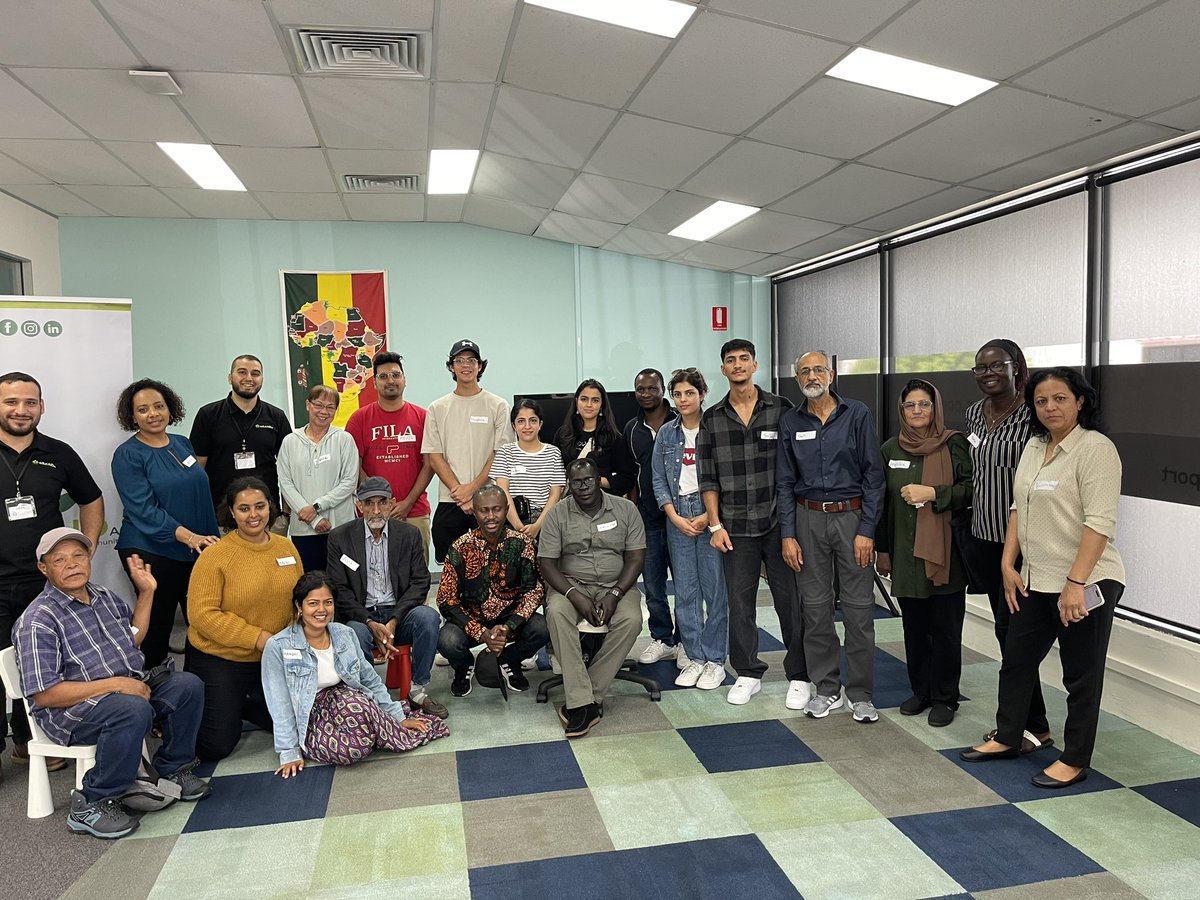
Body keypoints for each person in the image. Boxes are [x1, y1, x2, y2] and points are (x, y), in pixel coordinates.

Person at [962, 368, 1126, 789]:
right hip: (1035, 578)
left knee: (1080, 675)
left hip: (1087, 581)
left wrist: (1076, 583)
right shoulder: (1035, 447)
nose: (1050, 407)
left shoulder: (1096, 449)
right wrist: (1007, 564)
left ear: (1080, 402)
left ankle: (1074, 759)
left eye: (1060, 399)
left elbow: (1099, 524)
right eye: (1041, 401)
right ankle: (1011, 736)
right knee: (1016, 661)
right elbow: (1018, 508)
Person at [15, 528, 210, 839]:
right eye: (59, 559)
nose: (72, 564)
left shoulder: (103, 596)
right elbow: (45, 694)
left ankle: (174, 768)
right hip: (72, 712)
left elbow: (131, 639)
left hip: (126, 690)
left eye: (78, 555)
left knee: (187, 685)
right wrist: (117, 684)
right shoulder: (38, 620)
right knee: (131, 710)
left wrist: (146, 593)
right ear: (44, 567)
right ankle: (91, 801)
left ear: (89, 558)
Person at [0, 372, 104, 775]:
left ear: (41, 407)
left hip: (46, 584)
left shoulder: (58, 453)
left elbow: (91, 499)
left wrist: (87, 545)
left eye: (30, 402)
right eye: (11, 402)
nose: (21, 410)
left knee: (42, 664)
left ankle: (33, 741)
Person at [697, 339, 807, 708]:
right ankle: (747, 672)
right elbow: (707, 478)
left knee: (789, 601)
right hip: (735, 528)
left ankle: (800, 673)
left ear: (755, 365)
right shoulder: (712, 418)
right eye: (731, 361)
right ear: (724, 369)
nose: (738, 365)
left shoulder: (782, 409)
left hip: (778, 524)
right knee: (739, 604)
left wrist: (793, 526)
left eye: (744, 359)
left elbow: (796, 469)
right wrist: (715, 526)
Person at [778, 350, 885, 723]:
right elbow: (785, 482)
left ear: (832, 374)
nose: (812, 376)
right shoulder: (791, 421)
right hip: (807, 521)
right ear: (797, 379)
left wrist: (867, 530)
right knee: (816, 609)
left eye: (818, 369)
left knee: (858, 611)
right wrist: (788, 535)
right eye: (804, 371)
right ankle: (826, 688)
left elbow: (874, 477)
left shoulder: (856, 414)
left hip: (852, 520)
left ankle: (861, 693)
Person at [261, 572, 448, 778]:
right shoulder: (278, 646)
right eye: (313, 603)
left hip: (348, 700)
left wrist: (396, 716)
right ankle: (380, 728)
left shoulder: (343, 633)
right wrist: (289, 752)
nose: (321, 610)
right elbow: (279, 703)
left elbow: (370, 679)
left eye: (328, 602)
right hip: (311, 714)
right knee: (352, 750)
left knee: (355, 706)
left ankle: (386, 723)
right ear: (299, 606)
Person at [960, 339, 1052, 752]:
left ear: (1017, 368)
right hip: (985, 540)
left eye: (997, 365)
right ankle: (1030, 724)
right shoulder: (973, 415)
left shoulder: (1035, 416)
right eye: (980, 368)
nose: (988, 373)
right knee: (1005, 634)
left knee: (1018, 640)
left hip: (1022, 548)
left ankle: (1027, 726)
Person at [876, 380, 972, 727]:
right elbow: (883, 505)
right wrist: (882, 550)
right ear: (901, 411)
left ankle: (946, 697)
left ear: (936, 407)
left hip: (945, 555)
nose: (917, 411)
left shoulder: (953, 444)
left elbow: (969, 492)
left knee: (945, 629)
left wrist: (933, 492)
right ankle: (921, 691)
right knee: (914, 628)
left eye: (924, 404)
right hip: (904, 555)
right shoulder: (890, 449)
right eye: (910, 405)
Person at [186, 476, 301, 760]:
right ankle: (232, 701)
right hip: (221, 658)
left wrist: (288, 637)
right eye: (244, 508)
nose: (254, 515)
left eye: (259, 506)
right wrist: (258, 638)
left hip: (272, 658)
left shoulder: (286, 548)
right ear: (232, 512)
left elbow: (298, 600)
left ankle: (246, 702)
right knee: (215, 747)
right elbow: (201, 615)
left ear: (270, 508)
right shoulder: (215, 556)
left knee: (299, 729)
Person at [111, 378, 220, 668]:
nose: (153, 414)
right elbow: (143, 510)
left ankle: (198, 689)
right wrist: (189, 537)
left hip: (195, 548)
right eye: (143, 409)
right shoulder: (128, 455)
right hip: (152, 550)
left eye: (159, 406)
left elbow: (200, 496)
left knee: (202, 624)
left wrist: (208, 539)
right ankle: (153, 694)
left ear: (170, 409)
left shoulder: (183, 443)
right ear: (132, 417)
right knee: (157, 628)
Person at [539, 458, 645, 738]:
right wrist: (574, 595)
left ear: (599, 480)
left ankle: (583, 700)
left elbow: (636, 557)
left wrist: (615, 593)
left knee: (632, 619)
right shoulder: (557, 514)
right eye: (576, 482)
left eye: (588, 480)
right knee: (556, 613)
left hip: (617, 584)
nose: (583, 487)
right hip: (571, 584)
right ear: (569, 484)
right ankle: (586, 703)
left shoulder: (626, 509)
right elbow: (547, 563)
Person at [324, 477, 447, 719]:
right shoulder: (340, 538)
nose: (376, 510)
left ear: (392, 504)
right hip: (362, 616)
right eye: (369, 503)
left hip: (398, 614)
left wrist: (393, 621)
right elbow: (338, 589)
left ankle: (418, 690)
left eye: (382, 503)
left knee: (428, 618)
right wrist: (370, 623)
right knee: (353, 633)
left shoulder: (408, 534)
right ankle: (370, 696)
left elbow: (421, 582)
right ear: (359, 506)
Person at [652, 369, 728, 691]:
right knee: (684, 592)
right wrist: (673, 516)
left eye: (690, 394)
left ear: (701, 394)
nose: (683, 400)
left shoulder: (715, 429)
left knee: (715, 592)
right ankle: (694, 657)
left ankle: (715, 660)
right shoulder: (667, 434)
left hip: (709, 513)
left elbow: (727, 476)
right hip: (678, 515)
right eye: (678, 394)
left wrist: (710, 518)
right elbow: (658, 479)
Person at [437, 484, 550, 697]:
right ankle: (463, 668)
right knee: (447, 641)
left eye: (496, 509)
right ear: (474, 511)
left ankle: (509, 660)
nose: (491, 516)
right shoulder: (460, 547)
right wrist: (481, 632)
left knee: (543, 628)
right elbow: (446, 600)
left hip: (511, 620)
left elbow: (534, 590)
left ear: (506, 509)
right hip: (472, 621)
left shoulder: (522, 543)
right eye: (484, 510)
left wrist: (509, 626)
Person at [422, 339, 512, 562]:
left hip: (489, 500)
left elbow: (499, 453)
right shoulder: (437, 408)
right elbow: (434, 456)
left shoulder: (498, 405)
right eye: (459, 360)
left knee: (494, 562)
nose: (466, 365)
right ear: (451, 366)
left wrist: (472, 490)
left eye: (471, 360)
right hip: (451, 499)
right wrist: (460, 493)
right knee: (452, 564)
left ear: (480, 366)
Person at [344, 351, 435, 562]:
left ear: (404, 380)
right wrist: (381, 503)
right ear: (374, 383)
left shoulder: (423, 418)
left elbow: (430, 465)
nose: (390, 381)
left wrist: (407, 503)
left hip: (414, 511)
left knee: (415, 576)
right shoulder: (359, 419)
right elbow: (353, 465)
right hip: (371, 513)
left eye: (395, 375)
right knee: (374, 574)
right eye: (383, 376)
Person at [188, 354, 290, 521]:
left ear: (262, 379)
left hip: (267, 516)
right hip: (221, 516)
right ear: (230, 378)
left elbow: (289, 468)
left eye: (255, 373)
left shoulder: (276, 417)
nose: (249, 378)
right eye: (242, 372)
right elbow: (197, 470)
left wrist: (285, 514)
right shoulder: (208, 415)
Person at [624, 368, 680, 666]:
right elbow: (632, 475)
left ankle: (686, 641)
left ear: (662, 391)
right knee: (654, 587)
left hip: (683, 519)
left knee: (685, 585)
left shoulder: (680, 421)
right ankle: (662, 638)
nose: (646, 393)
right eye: (640, 389)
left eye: (652, 388)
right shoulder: (631, 429)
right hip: (649, 520)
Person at [277, 384, 359, 572]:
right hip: (303, 529)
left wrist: (317, 507)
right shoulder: (290, 441)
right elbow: (285, 483)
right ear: (308, 405)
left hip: (339, 527)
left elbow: (349, 482)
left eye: (330, 407)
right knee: (310, 583)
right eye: (319, 405)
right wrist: (313, 519)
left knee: (344, 580)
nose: (324, 411)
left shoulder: (344, 439)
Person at [489, 398, 565, 540]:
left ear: (540, 424)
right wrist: (518, 527)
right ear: (514, 425)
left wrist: (537, 526)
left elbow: (555, 494)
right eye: (521, 421)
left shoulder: (553, 452)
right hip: (512, 519)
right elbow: (503, 491)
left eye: (533, 420)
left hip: (546, 521)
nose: (527, 426)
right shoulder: (505, 451)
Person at [555, 378, 636, 497]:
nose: (589, 405)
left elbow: (627, 479)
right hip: (568, 505)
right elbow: (554, 475)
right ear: (576, 402)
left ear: (602, 405)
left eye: (595, 400)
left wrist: (595, 481)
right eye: (584, 399)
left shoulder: (614, 438)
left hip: (603, 505)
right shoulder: (563, 434)